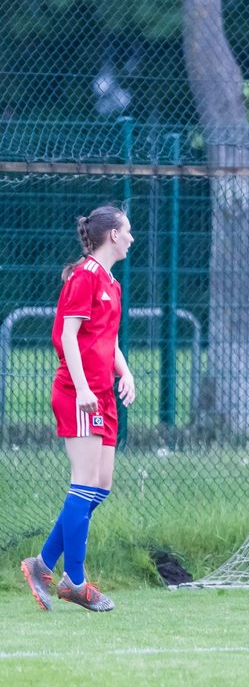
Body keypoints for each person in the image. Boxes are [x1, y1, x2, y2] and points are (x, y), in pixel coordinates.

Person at [21, 205, 136, 612]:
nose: (132, 238)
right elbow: (68, 337)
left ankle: (41, 564)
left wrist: (126, 373)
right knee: (83, 481)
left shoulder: (111, 283)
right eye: (128, 231)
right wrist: (85, 387)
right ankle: (76, 580)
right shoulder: (84, 276)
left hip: (102, 392)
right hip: (78, 391)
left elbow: (108, 339)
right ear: (113, 236)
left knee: (99, 486)